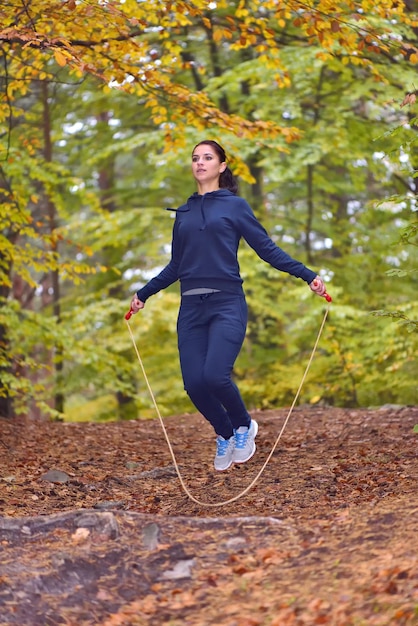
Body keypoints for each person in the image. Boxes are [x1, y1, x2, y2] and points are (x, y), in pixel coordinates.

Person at [129, 140, 327, 471]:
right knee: (193, 384)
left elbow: (266, 248)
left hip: (227, 303)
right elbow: (176, 265)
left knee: (215, 376)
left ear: (222, 166)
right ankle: (224, 433)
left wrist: (308, 275)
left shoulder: (235, 207)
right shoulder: (184, 212)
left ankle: (243, 425)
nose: (200, 163)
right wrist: (143, 293)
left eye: (207, 158)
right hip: (191, 308)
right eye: (195, 158)